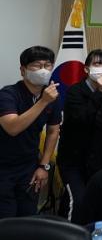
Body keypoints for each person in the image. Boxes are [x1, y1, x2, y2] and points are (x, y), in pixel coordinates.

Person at [0, 46, 61, 218]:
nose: (43, 70)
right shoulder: (8, 94)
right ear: (23, 70)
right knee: (6, 218)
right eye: (36, 65)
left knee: (28, 215)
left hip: (29, 165)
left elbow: (53, 131)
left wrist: (44, 166)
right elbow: (12, 128)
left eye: (47, 65)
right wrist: (43, 102)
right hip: (3, 166)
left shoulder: (51, 95)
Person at [57, 49, 102, 221]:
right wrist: (100, 93)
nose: (101, 68)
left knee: (89, 203)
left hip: (96, 160)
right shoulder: (75, 91)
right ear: (86, 69)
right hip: (72, 160)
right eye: (97, 64)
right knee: (78, 200)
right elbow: (80, 119)